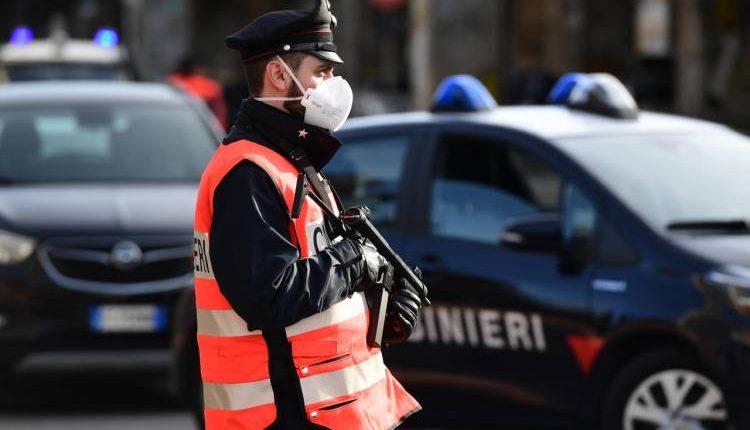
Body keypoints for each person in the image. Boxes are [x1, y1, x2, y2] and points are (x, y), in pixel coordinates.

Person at [192, 1, 426, 429]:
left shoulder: (293, 161)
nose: (334, 85)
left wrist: (379, 296)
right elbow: (268, 295)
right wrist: (355, 260)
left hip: (330, 414)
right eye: (322, 72)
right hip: (284, 414)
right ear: (279, 74)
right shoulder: (247, 173)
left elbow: (315, 288)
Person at [169, 55, 229, 130]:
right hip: (203, 127)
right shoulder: (211, 86)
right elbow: (220, 112)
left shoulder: (173, 81)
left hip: (178, 125)